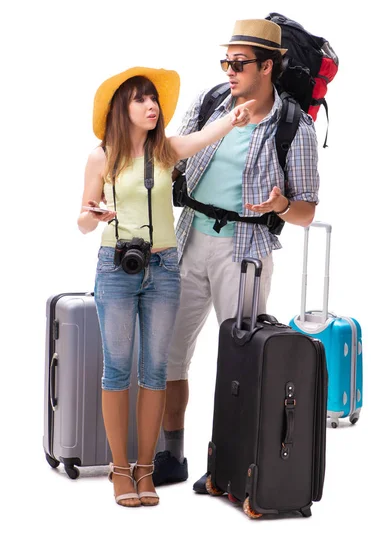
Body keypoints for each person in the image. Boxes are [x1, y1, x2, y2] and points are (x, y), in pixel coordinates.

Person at [152, 20, 320, 492]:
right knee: (169, 355)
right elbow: (170, 156)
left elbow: (306, 210)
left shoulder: (294, 127)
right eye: (225, 61)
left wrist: (281, 205)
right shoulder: (211, 104)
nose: (229, 70)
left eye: (239, 63)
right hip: (189, 242)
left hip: (244, 252)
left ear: (268, 67)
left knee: (241, 363)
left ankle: (229, 464)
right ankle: (172, 454)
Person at [77, 66, 253, 508]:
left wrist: (234, 118)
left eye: (153, 98)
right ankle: (120, 472)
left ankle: (146, 469)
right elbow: (81, 220)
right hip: (116, 267)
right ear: (123, 107)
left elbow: (205, 137)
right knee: (117, 369)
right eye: (141, 99)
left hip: (164, 267)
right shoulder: (102, 157)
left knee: (155, 370)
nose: (151, 105)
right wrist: (95, 215)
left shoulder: (168, 151)